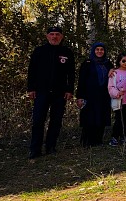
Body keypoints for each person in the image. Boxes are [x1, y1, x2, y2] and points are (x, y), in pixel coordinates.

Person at [27, 26, 75, 158]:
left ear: (62, 36)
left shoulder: (67, 52)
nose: (54, 37)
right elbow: (32, 71)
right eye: (52, 34)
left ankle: (51, 147)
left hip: (59, 93)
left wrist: (69, 90)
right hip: (41, 92)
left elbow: (71, 73)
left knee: (56, 121)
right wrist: (31, 88)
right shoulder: (39, 51)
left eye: (57, 34)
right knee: (38, 121)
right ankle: (35, 149)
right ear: (47, 36)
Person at [76, 42, 113, 147]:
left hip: (104, 95)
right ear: (93, 51)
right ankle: (88, 141)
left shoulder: (108, 64)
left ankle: (98, 140)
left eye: (102, 49)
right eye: (97, 49)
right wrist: (80, 96)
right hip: (89, 95)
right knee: (89, 118)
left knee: (101, 117)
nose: (100, 51)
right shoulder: (87, 63)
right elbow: (81, 81)